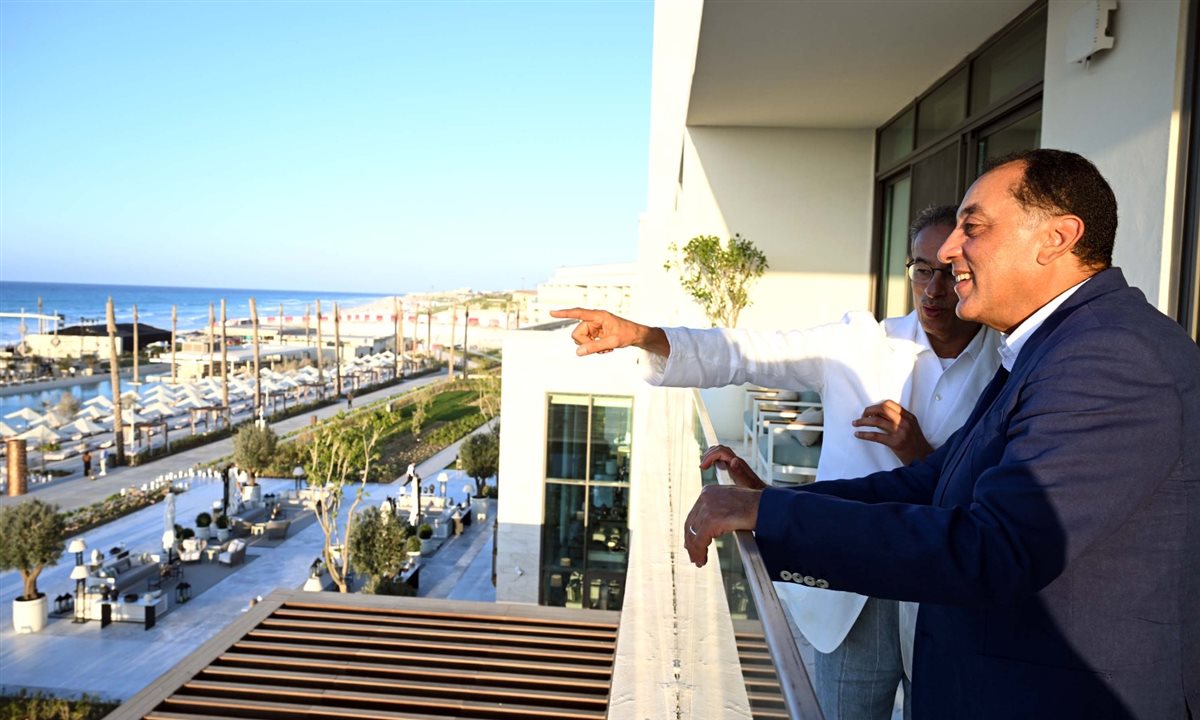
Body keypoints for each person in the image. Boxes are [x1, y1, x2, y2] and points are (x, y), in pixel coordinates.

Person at [683, 150, 1199, 718]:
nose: (950, 252)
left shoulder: (1109, 355)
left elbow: (994, 548)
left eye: (972, 228)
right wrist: (770, 504)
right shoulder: (1047, 347)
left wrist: (771, 515)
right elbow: (933, 483)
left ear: (1057, 238)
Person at [552, 205, 1000, 720]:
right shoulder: (859, 344)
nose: (933, 289)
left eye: (948, 271)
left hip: (945, 594)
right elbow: (748, 353)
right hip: (853, 589)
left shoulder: (1007, 366)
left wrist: (918, 452)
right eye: (922, 270)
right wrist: (643, 335)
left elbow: (994, 497)